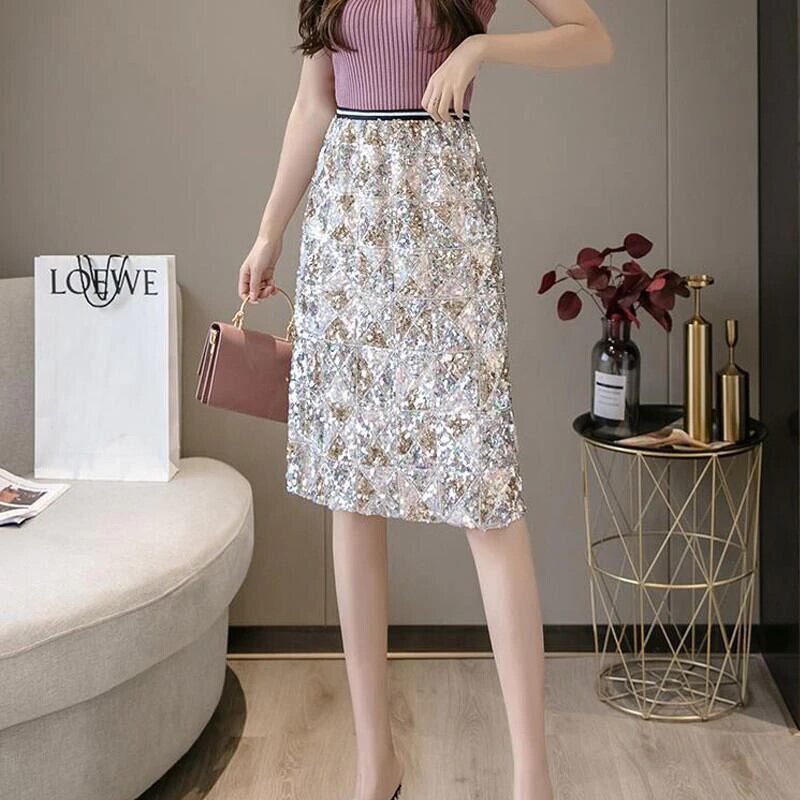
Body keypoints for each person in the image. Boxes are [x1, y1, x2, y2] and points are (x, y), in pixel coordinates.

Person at [238, 2, 613, 798]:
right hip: (345, 235)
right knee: (352, 493)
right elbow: (313, 104)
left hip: (443, 231)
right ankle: (376, 766)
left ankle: (533, 781)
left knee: (485, 490)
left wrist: (481, 49)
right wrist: (270, 232)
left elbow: (593, 39)